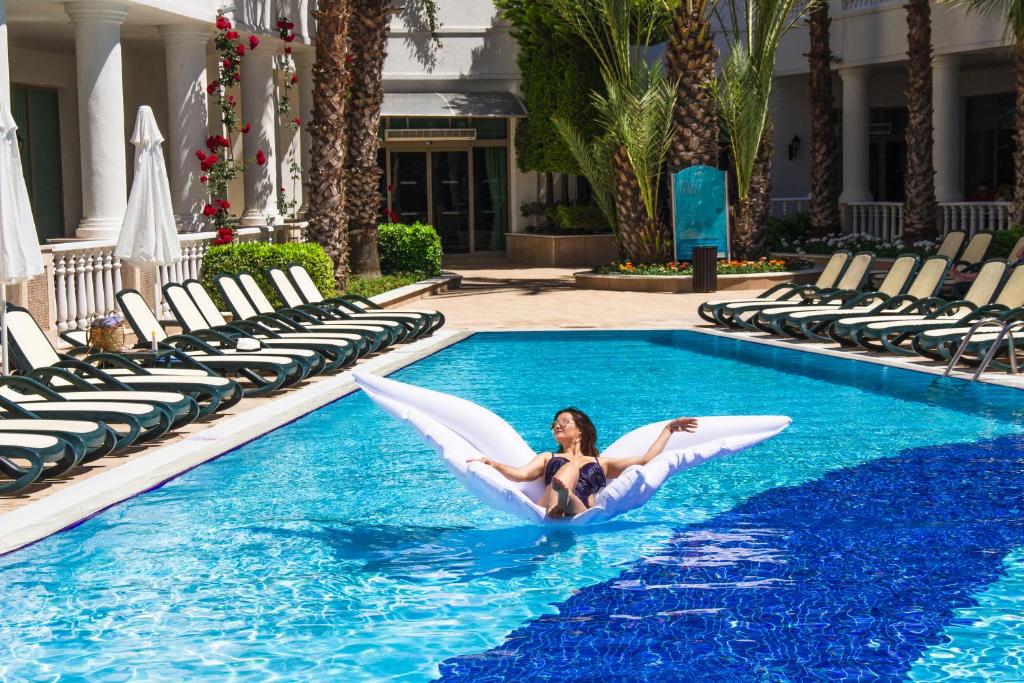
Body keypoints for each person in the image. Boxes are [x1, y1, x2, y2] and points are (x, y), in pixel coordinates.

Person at [469, 408, 698, 519]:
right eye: (554, 424)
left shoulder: (602, 463)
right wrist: (493, 464)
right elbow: (520, 474)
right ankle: (559, 500)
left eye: (563, 422)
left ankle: (564, 498)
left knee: (570, 481)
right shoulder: (548, 457)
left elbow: (646, 460)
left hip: (579, 511)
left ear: (580, 430)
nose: (557, 426)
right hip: (548, 505)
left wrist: (669, 429)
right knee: (568, 468)